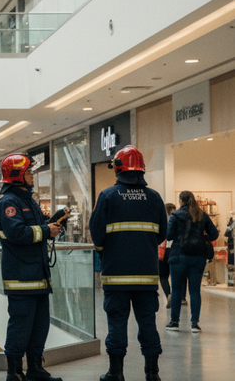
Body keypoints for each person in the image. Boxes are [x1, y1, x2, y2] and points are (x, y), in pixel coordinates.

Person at [90, 145, 167, 381]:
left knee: (116, 324)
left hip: (116, 275)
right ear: (142, 168)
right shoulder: (154, 197)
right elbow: (162, 234)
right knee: (148, 324)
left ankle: (116, 373)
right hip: (146, 275)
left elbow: (96, 234)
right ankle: (152, 374)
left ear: (117, 168)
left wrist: (109, 249)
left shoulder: (107, 196)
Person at [0, 154, 67, 381]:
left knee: (39, 327)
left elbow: (35, 229)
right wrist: (46, 231)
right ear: (16, 175)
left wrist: (52, 225)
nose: (32, 176)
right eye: (28, 172)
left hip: (38, 276)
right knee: (20, 327)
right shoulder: (8, 203)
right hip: (21, 278)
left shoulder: (28, 200)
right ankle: (14, 373)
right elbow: (17, 233)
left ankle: (35, 370)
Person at [166, 190, 219, 334]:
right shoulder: (202, 215)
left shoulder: (175, 215)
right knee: (195, 290)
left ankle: (174, 322)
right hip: (198, 257)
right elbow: (215, 234)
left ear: (180, 201)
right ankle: (195, 324)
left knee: (176, 290)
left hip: (178, 256)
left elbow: (169, 236)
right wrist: (203, 237)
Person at [159, 204, 176, 308]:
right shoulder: (176, 219)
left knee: (163, 276)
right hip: (174, 250)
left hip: (162, 251)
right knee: (175, 276)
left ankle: (168, 294)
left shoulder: (161, 220)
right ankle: (178, 297)